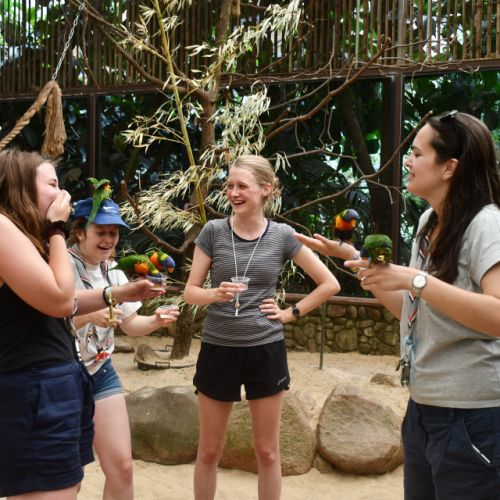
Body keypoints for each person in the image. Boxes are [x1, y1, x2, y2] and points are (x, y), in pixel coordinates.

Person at [298, 111, 500, 500]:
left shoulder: (486, 224)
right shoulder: (428, 222)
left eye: (418, 154)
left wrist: (415, 280)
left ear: (449, 167)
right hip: (424, 408)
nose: (408, 161)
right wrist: (362, 266)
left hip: (473, 416)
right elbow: (413, 313)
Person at [184, 154, 340, 500]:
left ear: (266, 189)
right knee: (208, 451)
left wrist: (290, 313)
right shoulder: (213, 232)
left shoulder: (282, 235)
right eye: (229, 186)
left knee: (268, 452)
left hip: (265, 350)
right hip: (218, 348)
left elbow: (330, 283)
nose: (233, 193)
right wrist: (215, 293)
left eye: (242, 186)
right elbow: (190, 292)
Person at [68, 196, 180, 500]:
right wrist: (89, 316)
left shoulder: (115, 271)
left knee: (123, 467)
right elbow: (46, 322)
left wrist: (156, 321)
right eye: (100, 232)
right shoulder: (61, 264)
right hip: (64, 376)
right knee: (70, 476)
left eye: (113, 233)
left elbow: (130, 325)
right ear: (79, 232)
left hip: (101, 371)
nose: (108, 239)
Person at [0, 148, 93, 499]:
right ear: (22, 187)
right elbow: (59, 300)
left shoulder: (23, 235)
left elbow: (60, 300)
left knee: (65, 486)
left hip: (48, 385)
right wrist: (57, 228)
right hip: (31, 390)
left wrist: (116, 294)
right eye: (52, 184)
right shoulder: (2, 227)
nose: (62, 193)